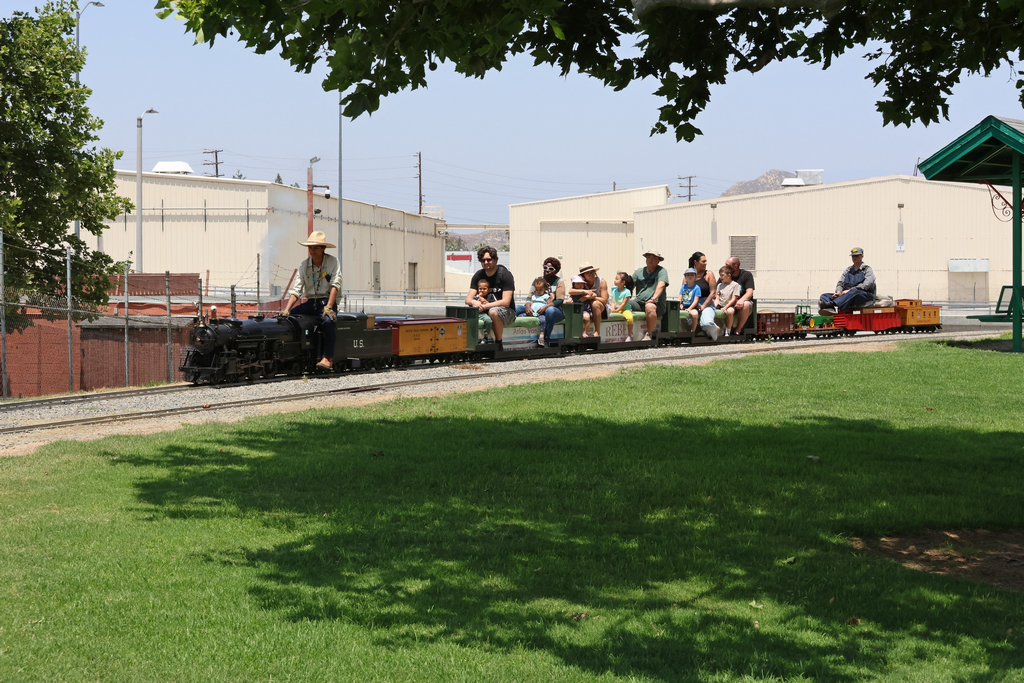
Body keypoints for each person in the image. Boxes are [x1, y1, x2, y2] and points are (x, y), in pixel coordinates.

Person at [282, 230, 343, 370]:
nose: (312, 250)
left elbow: (335, 285)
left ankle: (327, 358)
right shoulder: (304, 265)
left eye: (316, 247)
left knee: (328, 321)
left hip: (326, 302)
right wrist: (286, 310)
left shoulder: (333, 262)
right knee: (288, 318)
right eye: (310, 247)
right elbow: (296, 289)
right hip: (311, 303)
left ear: (323, 249)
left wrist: (329, 307)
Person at [465, 246, 515, 348]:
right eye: (483, 260)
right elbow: (468, 299)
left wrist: (485, 306)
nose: (486, 262)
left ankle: (498, 343)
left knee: (493, 311)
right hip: (484, 311)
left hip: (507, 312)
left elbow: (506, 302)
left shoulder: (505, 275)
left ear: (495, 259)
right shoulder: (478, 275)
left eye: (489, 259)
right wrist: (474, 302)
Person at [516, 256, 566, 348]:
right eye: (545, 267)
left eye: (551, 269)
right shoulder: (537, 280)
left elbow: (560, 300)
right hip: (535, 307)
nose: (547, 270)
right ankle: (511, 336)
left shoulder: (559, 281)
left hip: (554, 311)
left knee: (550, 310)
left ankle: (545, 340)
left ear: (556, 271)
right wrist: (528, 306)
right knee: (516, 308)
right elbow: (529, 297)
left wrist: (546, 306)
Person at [819, 247, 876, 314]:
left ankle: (833, 304)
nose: (854, 258)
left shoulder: (867, 269)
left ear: (862, 256)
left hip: (863, 296)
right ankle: (830, 309)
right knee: (824, 296)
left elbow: (866, 284)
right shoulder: (848, 270)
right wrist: (839, 292)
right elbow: (840, 283)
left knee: (855, 292)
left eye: (856, 256)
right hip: (847, 296)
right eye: (853, 256)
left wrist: (850, 290)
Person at [630, 250, 669, 341]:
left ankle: (648, 334)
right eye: (648, 257)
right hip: (639, 303)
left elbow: (661, 285)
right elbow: (630, 286)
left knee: (650, 306)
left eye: (654, 258)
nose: (650, 260)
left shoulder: (662, 271)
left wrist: (653, 299)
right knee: (624, 304)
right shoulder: (639, 271)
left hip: (657, 304)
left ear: (658, 261)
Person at [569, 262, 609, 338]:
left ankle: (597, 331)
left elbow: (604, 301)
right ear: (583, 275)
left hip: (602, 307)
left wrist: (589, 297)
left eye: (592, 272)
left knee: (595, 303)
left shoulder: (601, 281)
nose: (591, 275)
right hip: (586, 308)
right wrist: (585, 291)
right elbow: (571, 291)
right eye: (588, 273)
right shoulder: (581, 283)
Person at [725, 256, 755, 335]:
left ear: (735, 266)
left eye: (727, 265)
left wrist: (741, 300)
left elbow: (749, 292)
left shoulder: (746, 275)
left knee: (745, 304)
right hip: (729, 302)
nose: (725, 267)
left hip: (742, 302)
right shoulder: (725, 275)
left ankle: (738, 329)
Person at [713, 266, 741, 337]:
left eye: (722, 275)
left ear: (729, 275)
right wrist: (714, 306)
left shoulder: (735, 285)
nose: (720, 277)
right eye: (720, 275)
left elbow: (733, 299)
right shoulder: (719, 285)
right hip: (720, 304)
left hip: (730, 305)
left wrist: (725, 307)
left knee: (730, 312)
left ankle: (728, 331)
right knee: (710, 310)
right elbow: (717, 298)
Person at [609, 271, 635, 342]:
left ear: (623, 282)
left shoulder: (627, 292)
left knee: (630, 318)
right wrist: (613, 308)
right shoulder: (614, 291)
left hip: (625, 309)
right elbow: (613, 302)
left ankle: (629, 336)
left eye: (617, 279)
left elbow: (623, 303)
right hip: (616, 309)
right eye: (615, 278)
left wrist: (617, 310)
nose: (615, 280)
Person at [527, 276, 552, 345]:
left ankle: (541, 336)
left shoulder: (546, 296)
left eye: (540, 289)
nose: (538, 291)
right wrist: (530, 310)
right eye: (537, 289)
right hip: (533, 313)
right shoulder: (533, 296)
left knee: (543, 321)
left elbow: (549, 304)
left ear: (545, 289)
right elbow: (531, 303)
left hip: (541, 314)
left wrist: (545, 308)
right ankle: (526, 335)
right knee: (521, 316)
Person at [678, 267, 702, 333]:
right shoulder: (683, 287)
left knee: (695, 314)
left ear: (695, 277)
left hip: (693, 306)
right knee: (678, 314)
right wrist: (679, 304)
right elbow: (680, 298)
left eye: (692, 275)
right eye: (688, 275)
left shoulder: (697, 288)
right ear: (685, 277)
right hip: (684, 306)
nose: (690, 277)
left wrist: (690, 308)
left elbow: (696, 301)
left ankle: (693, 330)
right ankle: (683, 330)